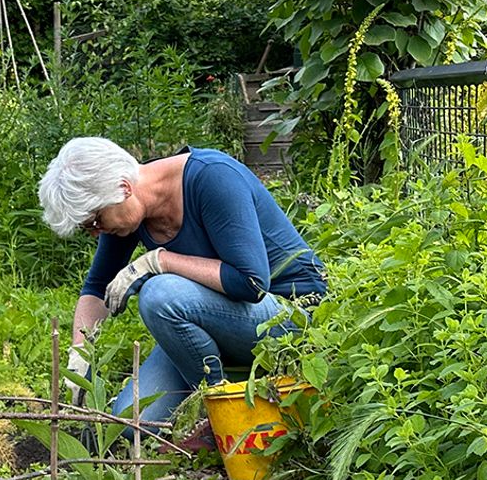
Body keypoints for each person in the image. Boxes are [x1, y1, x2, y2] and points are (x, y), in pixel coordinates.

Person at [37, 137, 325, 433]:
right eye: (88, 228)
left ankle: (218, 413)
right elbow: (97, 288)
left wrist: (160, 261)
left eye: (96, 221)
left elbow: (251, 283)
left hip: (291, 317)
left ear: (123, 188)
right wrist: (78, 356)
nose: (97, 233)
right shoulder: (123, 211)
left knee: (159, 294)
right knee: (130, 423)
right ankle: (224, 393)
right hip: (220, 322)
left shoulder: (212, 177)